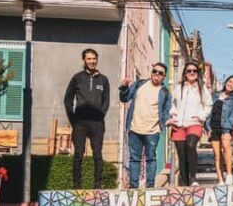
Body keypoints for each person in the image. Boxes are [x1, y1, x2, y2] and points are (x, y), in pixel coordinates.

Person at [119, 63, 171, 189]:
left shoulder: (165, 92)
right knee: (134, 159)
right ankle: (133, 187)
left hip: (153, 131)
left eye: (160, 73)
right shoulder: (139, 84)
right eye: (155, 71)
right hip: (134, 128)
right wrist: (124, 87)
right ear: (151, 72)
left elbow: (166, 111)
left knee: (151, 159)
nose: (157, 75)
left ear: (164, 77)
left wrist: (166, 122)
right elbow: (125, 98)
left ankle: (150, 187)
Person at [64, 48, 110, 189]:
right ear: (84, 60)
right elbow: (67, 99)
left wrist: (99, 115)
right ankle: (76, 185)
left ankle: (97, 184)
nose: (92, 61)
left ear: (97, 60)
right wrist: (74, 119)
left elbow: (106, 102)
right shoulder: (77, 78)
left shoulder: (103, 80)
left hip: (97, 123)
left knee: (97, 154)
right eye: (89, 59)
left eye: (94, 58)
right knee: (78, 154)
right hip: (80, 122)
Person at [169, 61, 212, 187]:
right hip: (178, 124)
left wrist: (201, 116)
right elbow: (173, 104)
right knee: (182, 155)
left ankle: (193, 179)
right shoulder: (179, 87)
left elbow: (209, 105)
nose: (192, 73)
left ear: (197, 73)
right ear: (185, 73)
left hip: (194, 123)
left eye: (194, 71)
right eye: (189, 70)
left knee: (191, 145)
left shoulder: (201, 88)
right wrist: (173, 115)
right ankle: (185, 182)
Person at [209, 75, 233, 185]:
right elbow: (209, 111)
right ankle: (220, 180)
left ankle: (229, 175)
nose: (231, 84)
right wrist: (207, 127)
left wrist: (227, 129)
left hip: (225, 127)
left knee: (226, 148)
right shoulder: (215, 95)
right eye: (230, 81)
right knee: (217, 156)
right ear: (226, 81)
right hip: (213, 126)